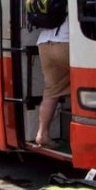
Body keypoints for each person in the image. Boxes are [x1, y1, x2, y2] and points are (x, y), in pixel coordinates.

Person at [35, 17, 70, 149]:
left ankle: (42, 133)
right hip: (66, 42)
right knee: (85, 83)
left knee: (51, 91)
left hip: (44, 43)